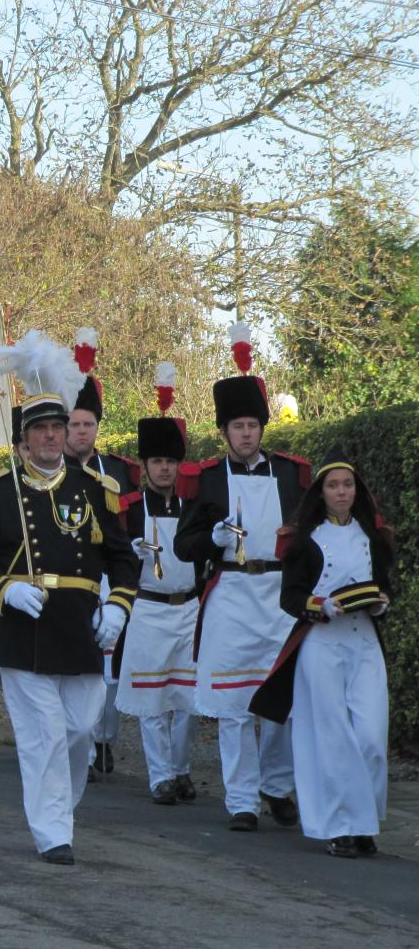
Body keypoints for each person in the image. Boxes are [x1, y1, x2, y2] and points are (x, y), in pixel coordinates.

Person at [0, 330, 139, 865]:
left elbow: (123, 558)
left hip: (79, 628)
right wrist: (7, 590)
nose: (49, 437)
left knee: (81, 728)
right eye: (39, 429)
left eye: (56, 428)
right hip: (22, 629)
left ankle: (62, 808)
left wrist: (118, 606)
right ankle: (53, 831)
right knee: (42, 735)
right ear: (21, 441)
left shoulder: (95, 489)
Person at [174, 322, 308, 833]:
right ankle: (241, 800)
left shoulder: (292, 474)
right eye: (237, 426)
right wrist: (213, 540)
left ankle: (277, 787)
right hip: (230, 593)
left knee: (276, 699)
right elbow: (185, 546)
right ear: (224, 431)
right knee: (233, 705)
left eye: (253, 424)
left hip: (277, 596)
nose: (246, 433)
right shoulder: (206, 479)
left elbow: (311, 537)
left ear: (261, 427)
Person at [250, 448, 393, 858]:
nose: (342, 492)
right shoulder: (305, 540)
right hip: (322, 644)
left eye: (347, 485)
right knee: (332, 739)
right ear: (322, 492)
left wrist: (381, 604)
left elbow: (384, 586)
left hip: (363, 641)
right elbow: (289, 596)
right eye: (333, 485)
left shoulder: (372, 536)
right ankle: (342, 826)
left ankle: (365, 820)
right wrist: (320, 606)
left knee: (370, 737)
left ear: (357, 490)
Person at [113, 365, 200, 805]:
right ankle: (160, 776)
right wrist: (133, 551)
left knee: (185, 697)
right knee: (151, 699)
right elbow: (113, 556)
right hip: (147, 608)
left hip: (189, 609)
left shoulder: (195, 506)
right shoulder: (128, 507)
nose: (165, 468)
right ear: (145, 466)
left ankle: (182, 769)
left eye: (171, 461)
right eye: (157, 462)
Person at [65, 329, 140, 777]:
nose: (79, 433)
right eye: (73, 425)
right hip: (70, 575)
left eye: (87, 425)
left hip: (109, 575)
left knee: (111, 663)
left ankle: (104, 738)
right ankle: (84, 744)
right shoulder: (53, 469)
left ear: (98, 427)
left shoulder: (118, 471)